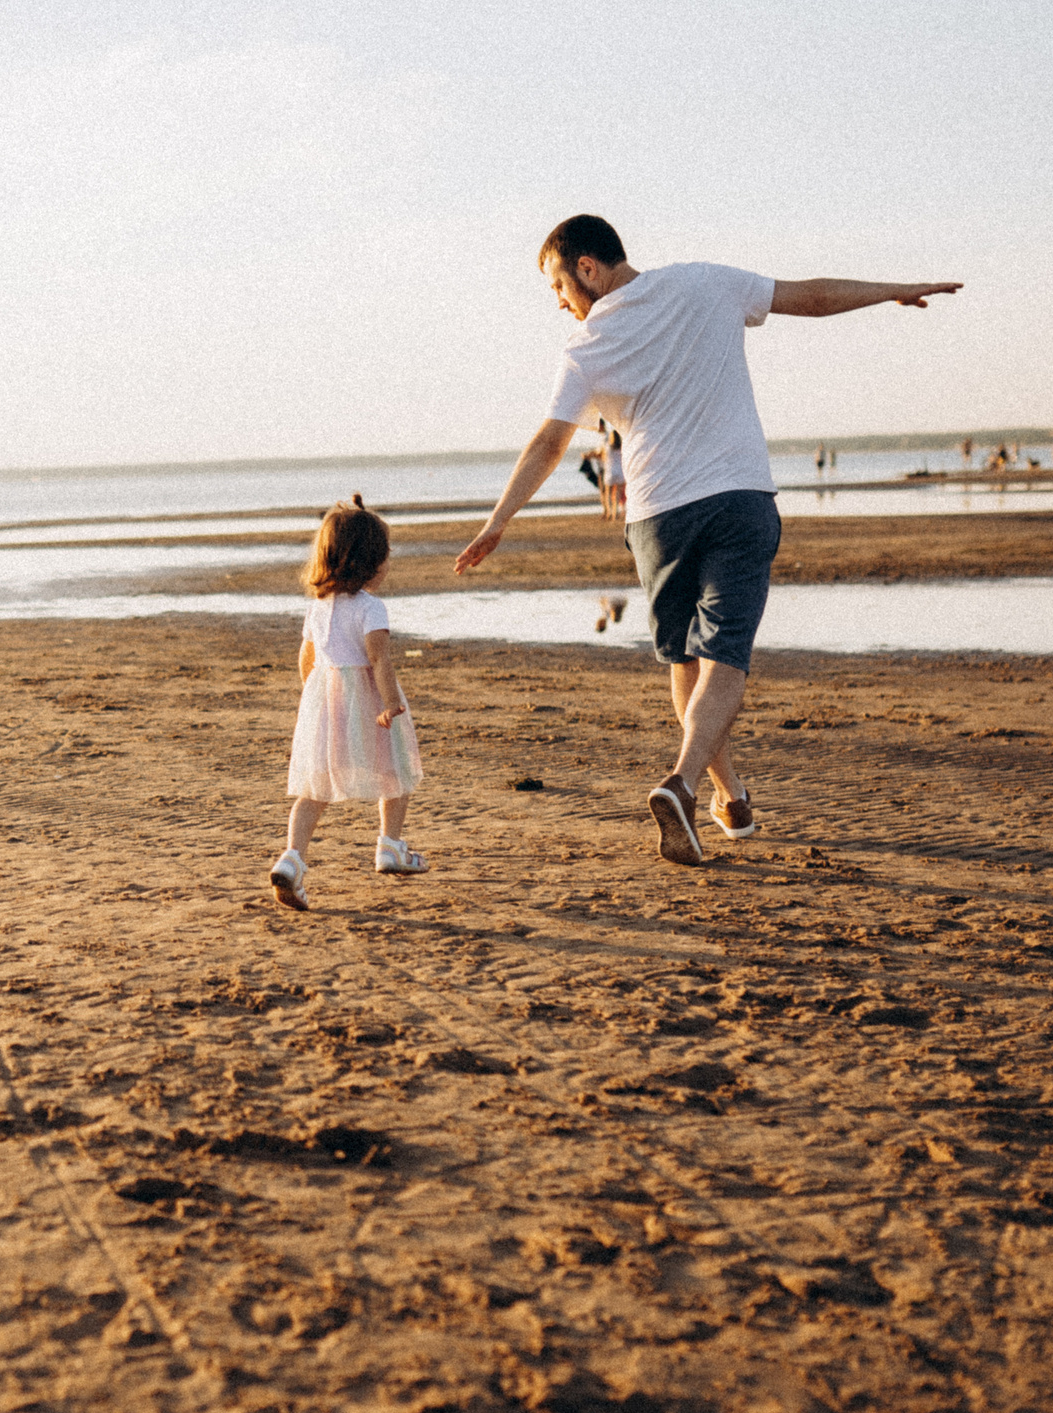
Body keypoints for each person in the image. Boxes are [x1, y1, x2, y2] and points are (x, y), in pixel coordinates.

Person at [453, 214, 959, 866]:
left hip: (658, 517)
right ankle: (691, 784)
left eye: (557, 283)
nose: (559, 301)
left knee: (685, 665)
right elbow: (808, 296)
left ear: (587, 267)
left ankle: (726, 796)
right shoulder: (705, 282)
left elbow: (550, 442)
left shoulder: (585, 348)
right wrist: (893, 288)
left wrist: (499, 520)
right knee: (723, 658)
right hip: (739, 500)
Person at [269, 496, 424, 910]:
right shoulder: (372, 608)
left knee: (314, 787)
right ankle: (390, 845)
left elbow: (307, 660)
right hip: (370, 704)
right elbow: (379, 659)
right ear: (371, 562)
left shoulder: (318, 608)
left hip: (327, 701)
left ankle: (292, 858)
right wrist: (390, 702)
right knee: (396, 770)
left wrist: (316, 698)